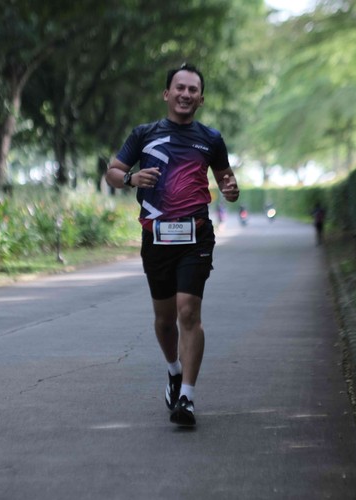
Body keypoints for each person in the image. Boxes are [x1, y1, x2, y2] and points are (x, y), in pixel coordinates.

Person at [106, 63, 240, 427]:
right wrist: (132, 178)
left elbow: (227, 182)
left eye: (193, 89)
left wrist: (231, 190)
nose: (185, 94)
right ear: (167, 94)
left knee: (188, 312)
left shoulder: (211, 139)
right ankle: (174, 371)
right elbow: (113, 171)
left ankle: (187, 398)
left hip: (196, 236)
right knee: (165, 320)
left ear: (200, 99)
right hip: (156, 237)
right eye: (179, 88)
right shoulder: (144, 134)